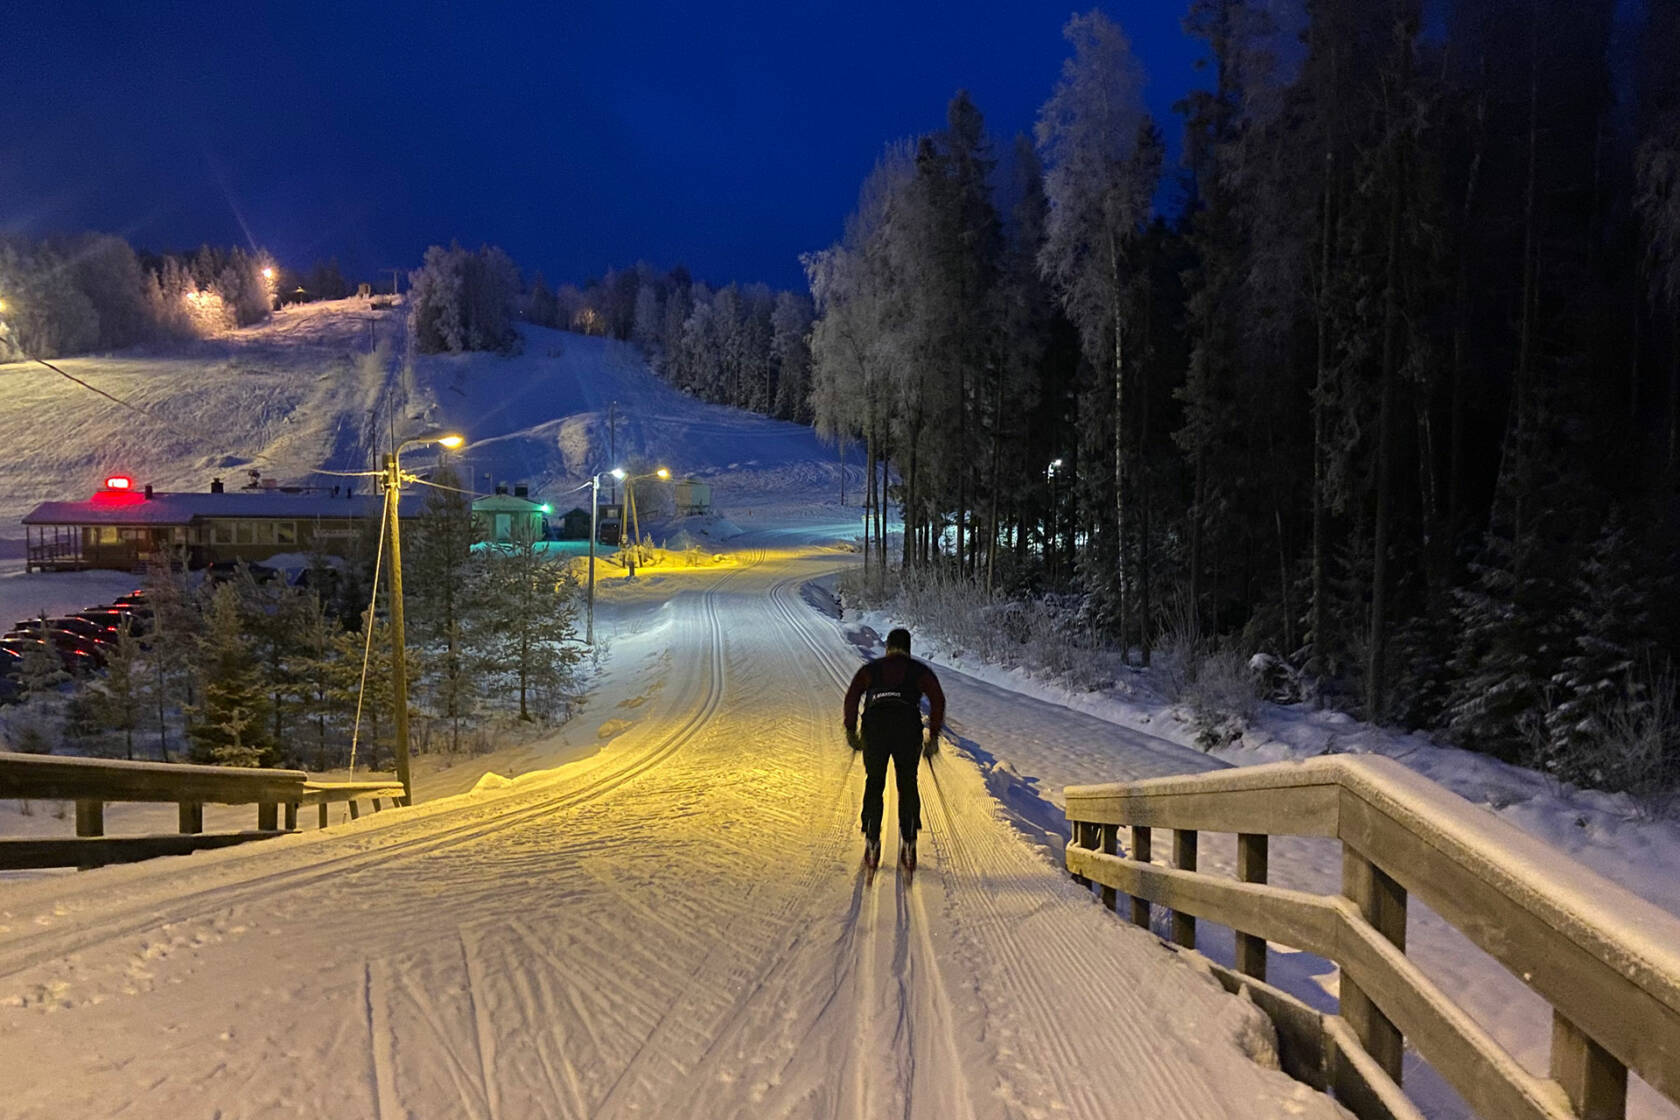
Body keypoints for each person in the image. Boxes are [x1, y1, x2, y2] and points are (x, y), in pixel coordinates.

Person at [843, 627, 945, 871]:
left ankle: (871, 840)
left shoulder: (871, 669)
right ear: (908, 649)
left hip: (875, 730)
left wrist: (851, 730)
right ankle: (909, 842)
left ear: (887, 647)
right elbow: (937, 699)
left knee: (874, 782)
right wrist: (933, 737)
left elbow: (852, 695)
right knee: (907, 782)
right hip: (906, 730)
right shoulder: (919, 670)